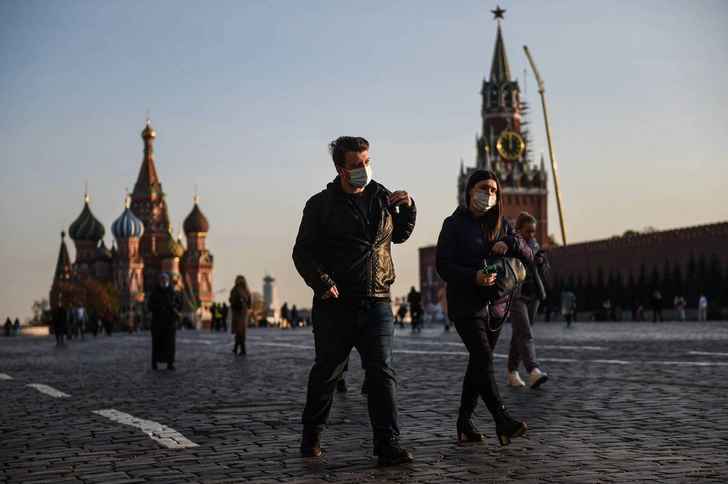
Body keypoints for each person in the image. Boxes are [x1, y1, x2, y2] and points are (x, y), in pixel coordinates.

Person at [292, 135, 416, 465]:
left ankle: (387, 442)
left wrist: (409, 208)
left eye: (367, 161)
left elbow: (399, 236)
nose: (364, 168)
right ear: (340, 169)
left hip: (377, 302)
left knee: (381, 372)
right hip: (335, 306)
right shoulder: (320, 204)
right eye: (356, 164)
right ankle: (312, 432)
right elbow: (301, 252)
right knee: (327, 373)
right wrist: (321, 282)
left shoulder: (382, 196)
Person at [436, 170, 532, 447]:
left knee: (478, 362)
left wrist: (509, 241)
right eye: (483, 188)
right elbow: (443, 265)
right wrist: (473, 276)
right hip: (466, 305)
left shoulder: (501, 223)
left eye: (493, 190)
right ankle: (502, 419)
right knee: (483, 358)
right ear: (469, 190)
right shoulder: (453, 224)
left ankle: (464, 422)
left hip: (497, 308)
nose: (489, 194)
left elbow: (528, 254)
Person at [506, 212, 549, 389]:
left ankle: (512, 373)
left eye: (533, 232)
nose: (531, 235)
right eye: (528, 231)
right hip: (517, 296)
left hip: (534, 295)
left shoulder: (537, 246)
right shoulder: (512, 246)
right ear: (518, 230)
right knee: (525, 333)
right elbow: (508, 269)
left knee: (520, 334)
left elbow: (546, 272)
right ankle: (533, 371)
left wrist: (540, 263)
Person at [147, 273, 182, 370]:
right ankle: (155, 362)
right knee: (157, 343)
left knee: (170, 344)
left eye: (166, 280)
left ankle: (170, 362)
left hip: (169, 322)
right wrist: (160, 307)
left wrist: (173, 306)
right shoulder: (154, 293)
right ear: (158, 282)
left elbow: (179, 305)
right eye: (162, 280)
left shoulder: (172, 293)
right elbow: (150, 306)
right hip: (157, 323)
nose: (164, 282)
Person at [229, 275, 252, 355]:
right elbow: (249, 303)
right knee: (241, 331)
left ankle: (242, 349)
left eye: (237, 279)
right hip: (244, 312)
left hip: (237, 312)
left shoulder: (236, 290)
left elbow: (232, 299)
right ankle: (236, 348)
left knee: (239, 331)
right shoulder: (246, 290)